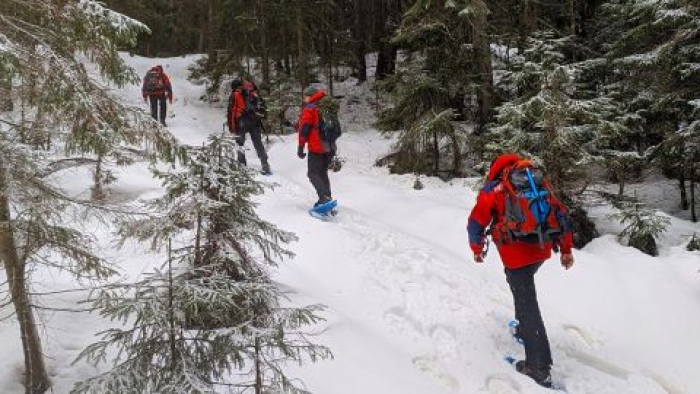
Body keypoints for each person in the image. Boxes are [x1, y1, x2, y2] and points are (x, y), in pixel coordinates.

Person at [467, 154, 575, 388]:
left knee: (527, 304)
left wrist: (477, 249)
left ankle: (539, 368)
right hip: (541, 249)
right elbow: (561, 214)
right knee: (522, 292)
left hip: (516, 257)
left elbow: (475, 223)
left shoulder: (494, 189)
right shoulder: (537, 182)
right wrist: (566, 250)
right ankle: (524, 330)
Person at [297, 86, 333, 207]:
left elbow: (304, 129)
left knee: (312, 173)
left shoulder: (310, 108)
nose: (304, 99)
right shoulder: (324, 105)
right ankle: (328, 197)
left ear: (310, 96)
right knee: (322, 172)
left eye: (305, 96)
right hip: (329, 144)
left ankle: (324, 199)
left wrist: (300, 147)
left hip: (316, 145)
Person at [227, 77, 270, 174]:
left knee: (240, 143)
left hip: (242, 122)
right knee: (258, 143)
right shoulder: (253, 93)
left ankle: (242, 166)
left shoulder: (236, 94)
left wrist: (232, 127)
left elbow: (231, 112)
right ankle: (265, 164)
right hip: (255, 121)